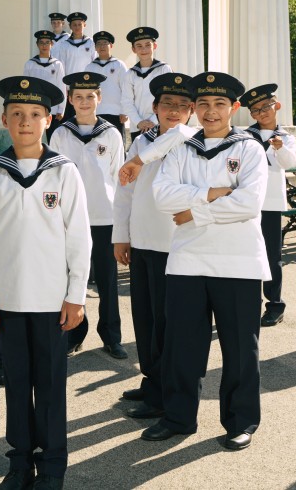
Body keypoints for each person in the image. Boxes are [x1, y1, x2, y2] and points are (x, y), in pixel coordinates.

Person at [137, 71, 270, 453]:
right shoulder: (180, 148)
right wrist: (215, 194)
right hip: (187, 261)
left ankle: (240, 421)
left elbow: (249, 204)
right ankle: (178, 417)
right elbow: (163, 198)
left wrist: (194, 212)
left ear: (234, 107)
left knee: (241, 351)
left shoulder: (248, 149)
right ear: (194, 109)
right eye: (205, 105)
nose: (212, 112)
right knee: (182, 347)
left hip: (238, 263)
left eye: (220, 104)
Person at [0, 75, 89, 490]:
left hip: (54, 302)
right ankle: (19, 462)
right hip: (8, 301)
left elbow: (79, 237)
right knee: (17, 387)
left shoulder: (63, 172)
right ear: (4, 120)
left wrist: (76, 297)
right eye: (17, 114)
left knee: (52, 388)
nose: (25, 122)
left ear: (50, 119)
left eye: (34, 114)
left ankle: (53, 467)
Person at [112, 72, 196, 419]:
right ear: (155, 107)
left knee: (167, 322)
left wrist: (139, 157)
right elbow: (125, 191)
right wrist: (121, 235)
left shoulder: (192, 138)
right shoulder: (141, 141)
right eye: (167, 104)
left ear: (191, 110)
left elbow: (176, 135)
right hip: (143, 239)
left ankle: (165, 392)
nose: (173, 111)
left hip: (173, 244)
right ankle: (152, 381)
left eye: (181, 105)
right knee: (144, 320)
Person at [50, 72, 127, 360]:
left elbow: (118, 179)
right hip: (68, 219)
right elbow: (53, 178)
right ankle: (72, 334)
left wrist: (122, 222)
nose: (84, 102)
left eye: (90, 96)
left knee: (107, 281)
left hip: (103, 217)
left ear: (100, 98)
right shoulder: (60, 133)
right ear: (70, 100)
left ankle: (111, 336)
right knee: (70, 279)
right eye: (78, 97)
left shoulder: (110, 133)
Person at [241, 84, 296, 327]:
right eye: (256, 110)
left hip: (272, 203)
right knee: (247, 254)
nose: (262, 113)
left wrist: (280, 148)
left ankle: (275, 304)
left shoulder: (286, 137)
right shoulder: (243, 135)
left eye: (266, 107)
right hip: (246, 203)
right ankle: (247, 303)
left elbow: (289, 163)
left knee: (272, 255)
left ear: (277, 106)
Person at [81, 30, 133, 132]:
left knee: (117, 145)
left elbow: (126, 89)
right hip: (96, 112)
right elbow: (86, 91)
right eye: (99, 44)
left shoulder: (119, 65)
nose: (102, 46)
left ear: (111, 46)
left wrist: (125, 111)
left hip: (116, 113)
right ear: (95, 48)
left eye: (105, 43)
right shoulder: (90, 67)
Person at [124, 27, 171, 134]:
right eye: (139, 46)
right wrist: (139, 122)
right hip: (138, 127)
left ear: (154, 46)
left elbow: (167, 97)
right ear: (133, 49)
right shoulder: (130, 74)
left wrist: (153, 120)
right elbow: (126, 101)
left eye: (147, 45)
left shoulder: (163, 69)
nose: (143, 49)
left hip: (160, 125)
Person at [23, 30, 67, 119]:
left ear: (52, 44)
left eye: (47, 43)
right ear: (37, 44)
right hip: (34, 107)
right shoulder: (30, 64)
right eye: (41, 43)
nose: (44, 46)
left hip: (53, 109)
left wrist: (61, 109)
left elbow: (61, 87)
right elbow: (25, 87)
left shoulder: (57, 64)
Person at [50, 11, 97, 78]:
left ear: (84, 25)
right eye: (74, 25)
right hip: (70, 82)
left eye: (79, 24)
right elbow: (62, 67)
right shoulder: (65, 45)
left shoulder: (91, 42)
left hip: (88, 82)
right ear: (70, 26)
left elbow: (95, 63)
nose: (77, 27)